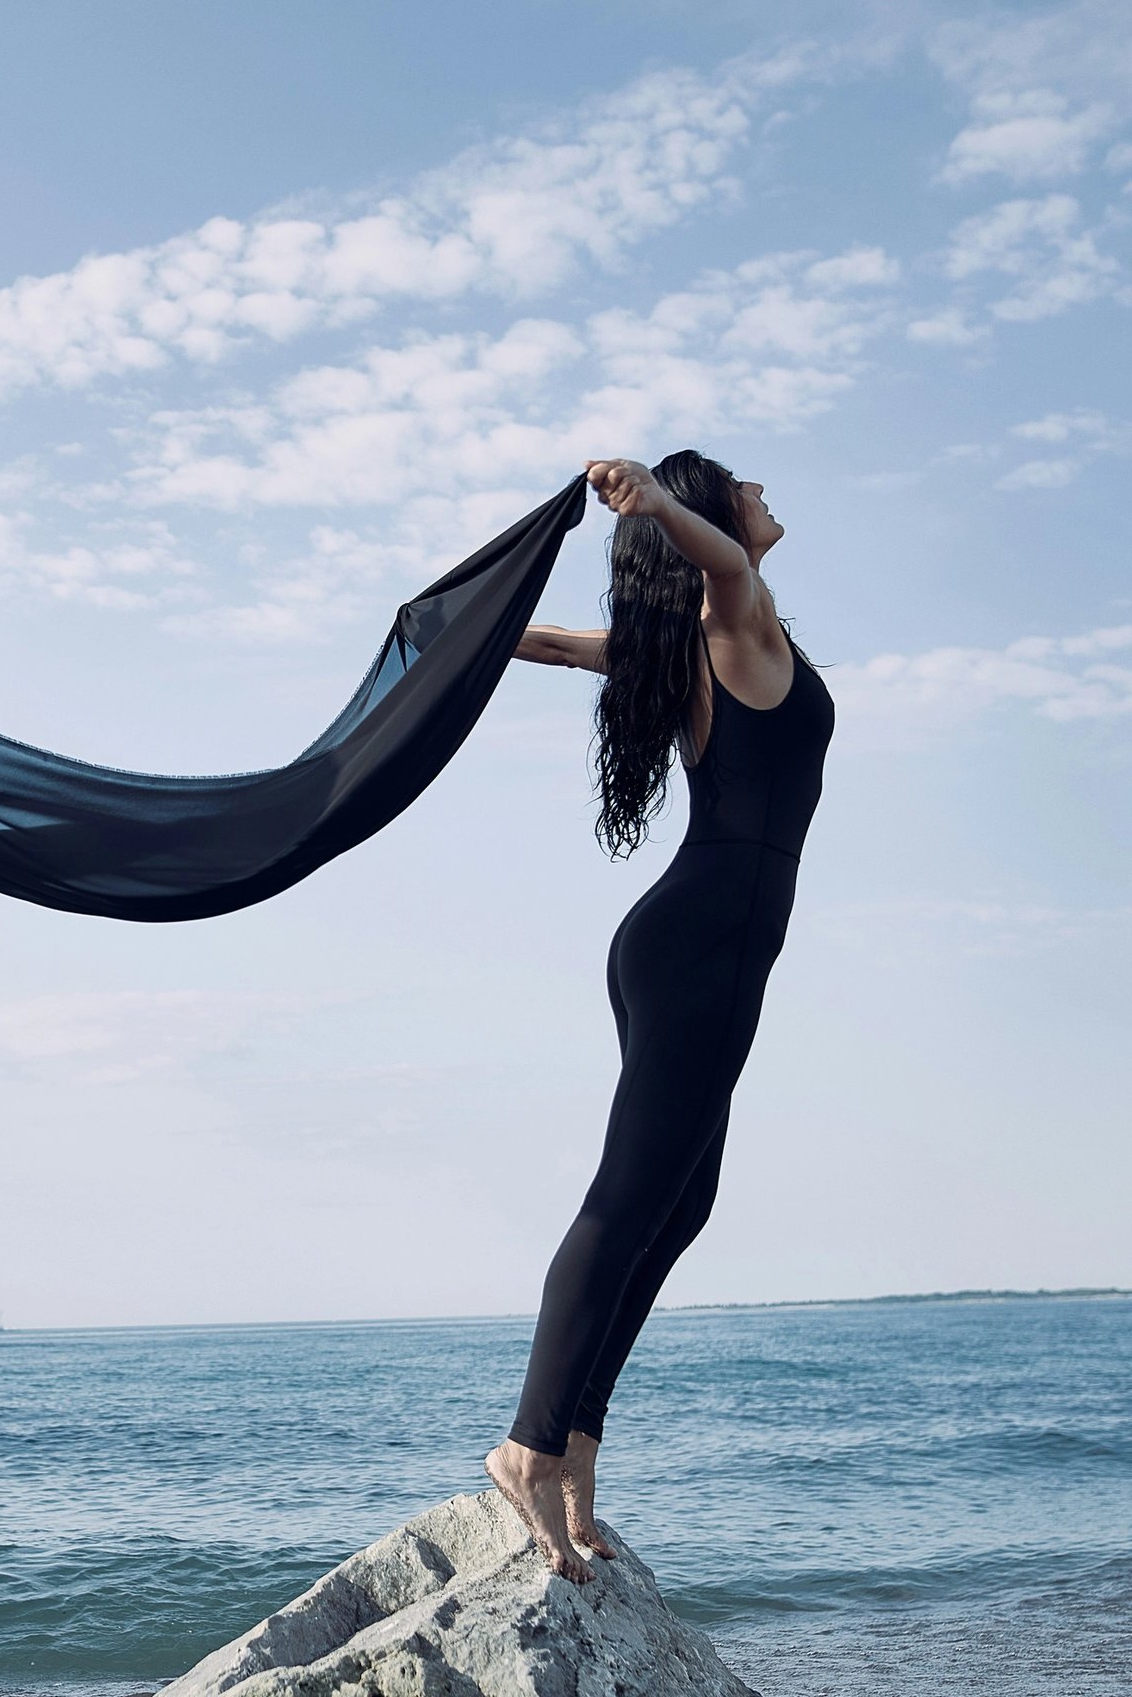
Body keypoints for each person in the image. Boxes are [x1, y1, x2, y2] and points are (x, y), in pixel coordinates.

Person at [482, 450, 837, 1583]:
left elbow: (541, 645)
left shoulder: (697, 647)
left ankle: (577, 1435)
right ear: (706, 513)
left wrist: (469, 629)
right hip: (703, 943)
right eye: (742, 482)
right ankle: (527, 1448)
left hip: (694, 942)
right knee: (632, 1198)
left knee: (682, 1201)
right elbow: (724, 561)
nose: (765, 487)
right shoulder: (740, 616)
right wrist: (656, 500)